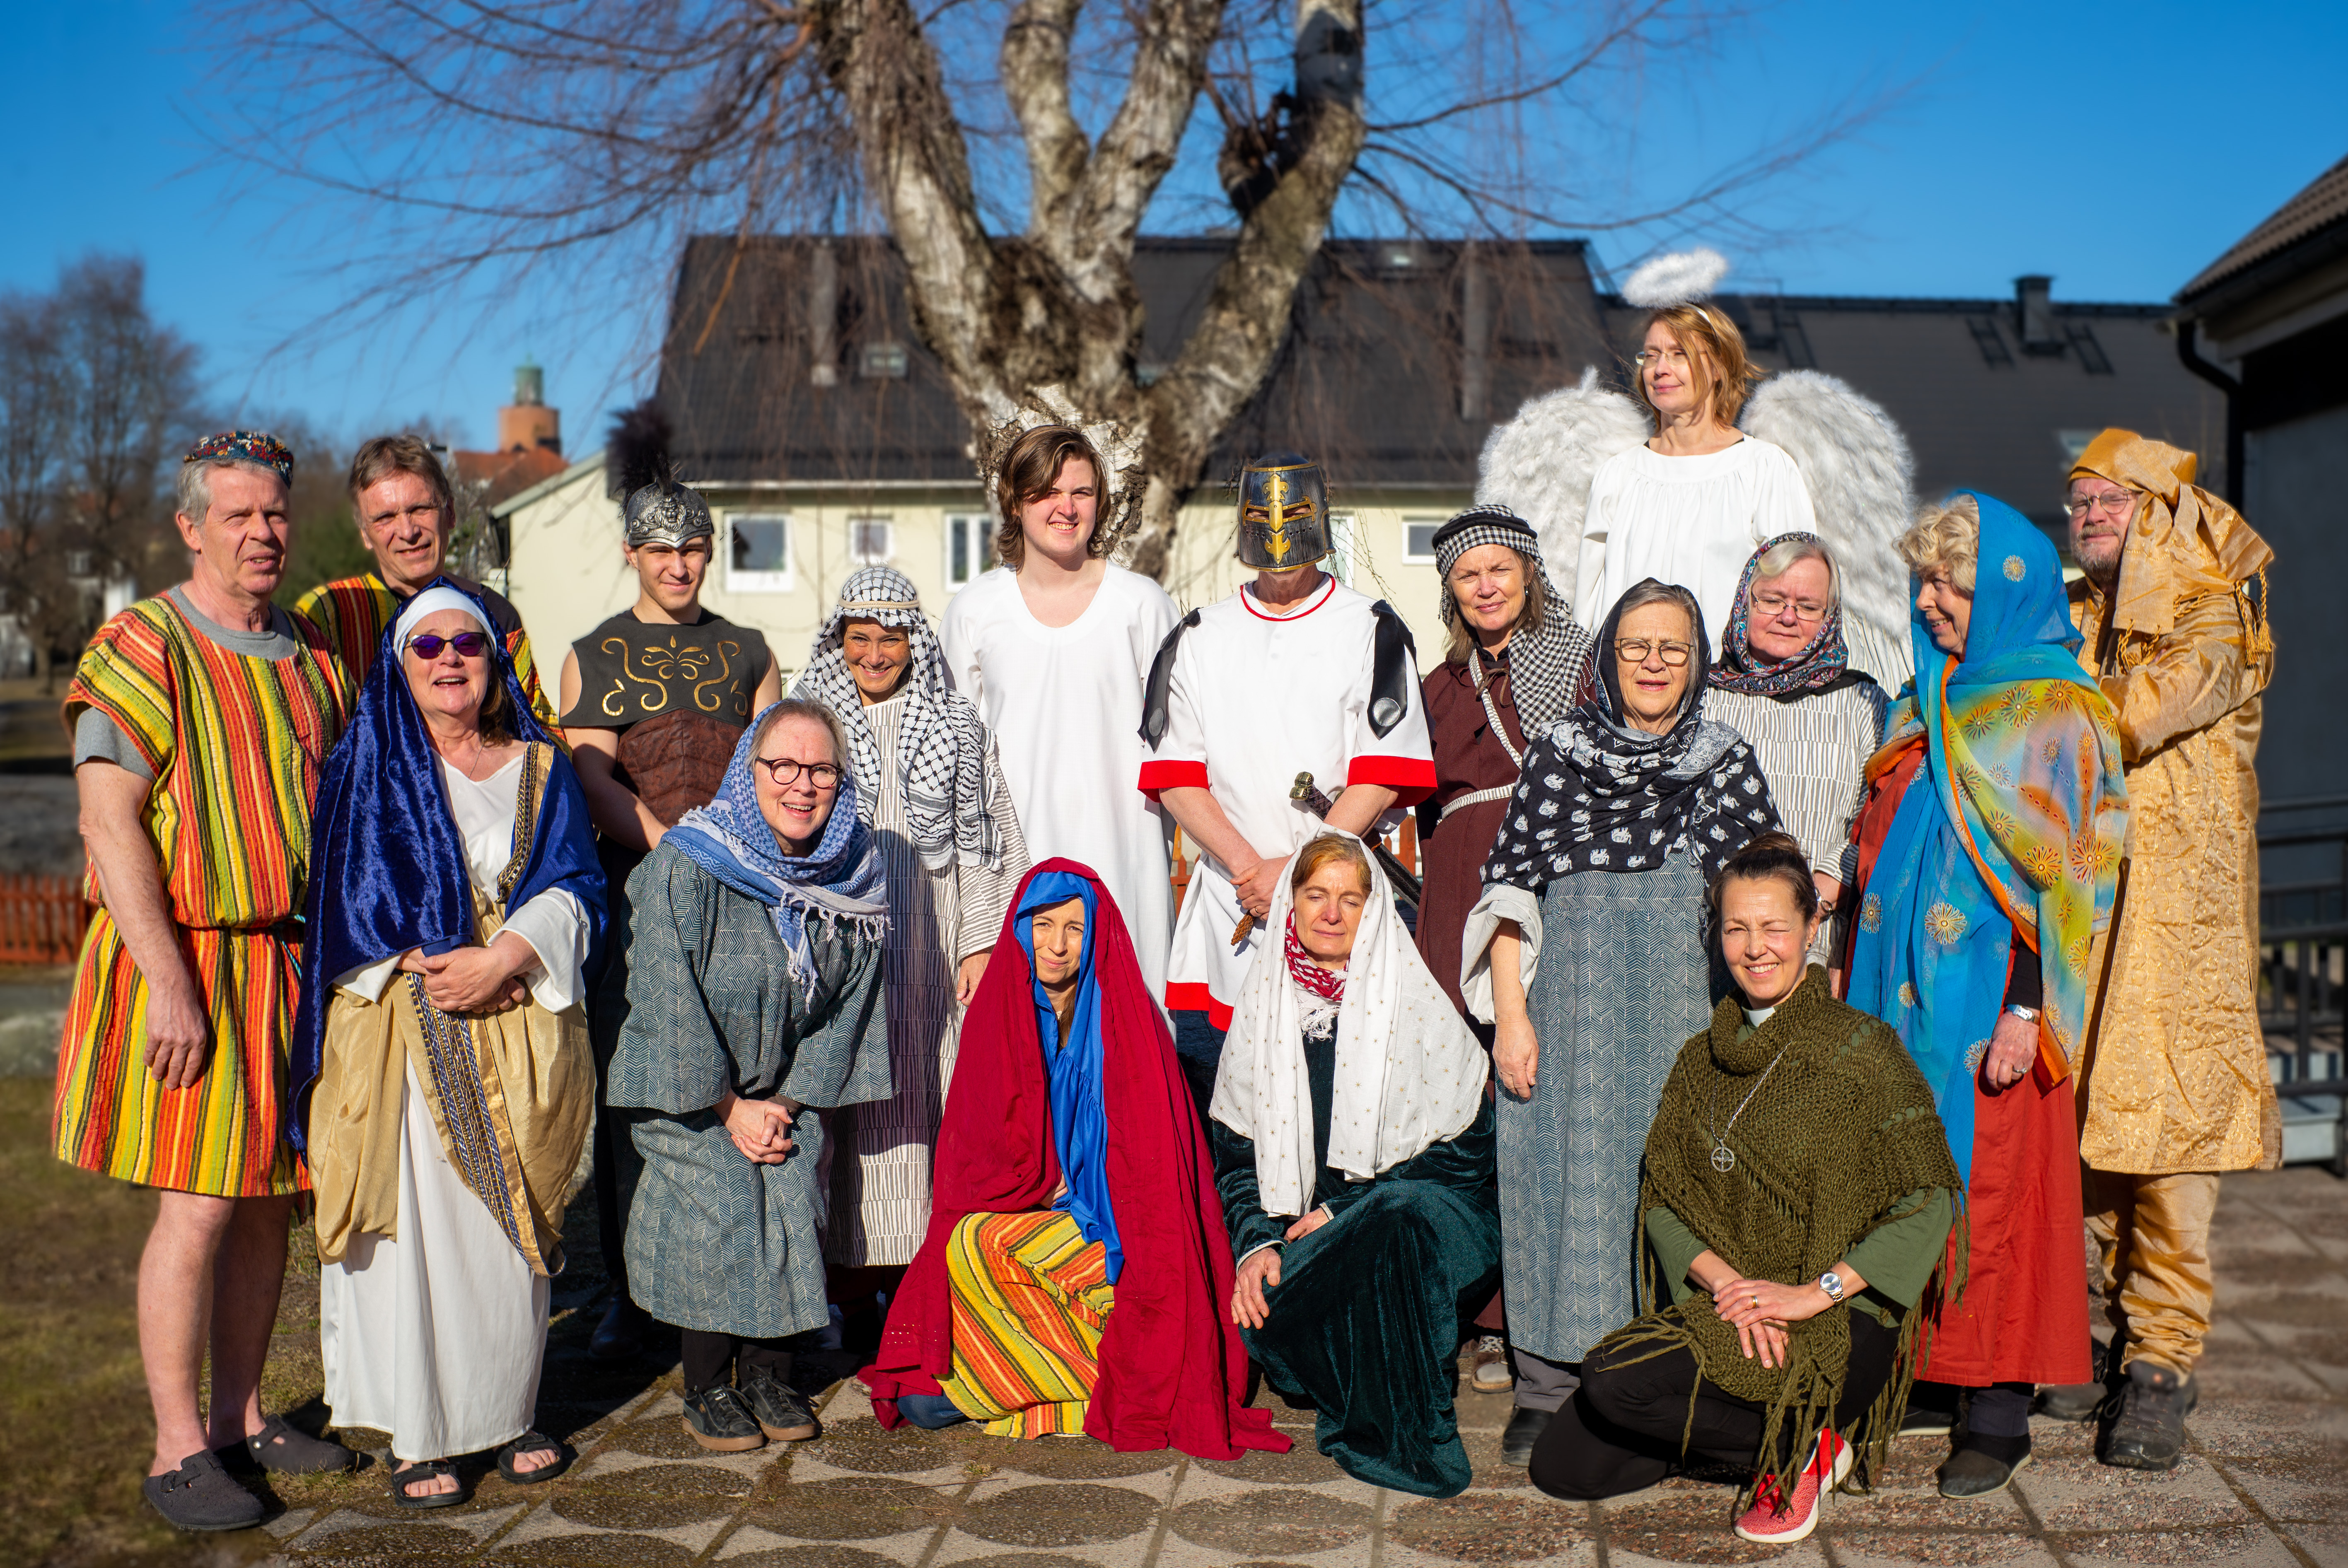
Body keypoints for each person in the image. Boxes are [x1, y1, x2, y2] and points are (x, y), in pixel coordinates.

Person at [56, 431, 358, 1531]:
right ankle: (177, 1448)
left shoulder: (311, 652)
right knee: (199, 1204)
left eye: (274, 513)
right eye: (237, 515)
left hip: (289, 963)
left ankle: (241, 1418)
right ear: (191, 528)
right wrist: (170, 984)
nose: (262, 533)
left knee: (271, 1202)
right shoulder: (144, 643)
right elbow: (107, 822)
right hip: (188, 956)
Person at [1527, 832, 1960, 1547]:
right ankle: (1787, 1440)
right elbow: (1662, 1199)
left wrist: (1809, 1293)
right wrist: (1730, 1285)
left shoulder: (1865, 1050)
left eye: (1773, 927)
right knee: (1564, 1467)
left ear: (1811, 928)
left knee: (1609, 1378)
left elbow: (1928, 1200)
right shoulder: (1698, 1061)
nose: (1755, 948)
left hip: (1835, 1318)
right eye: (1736, 928)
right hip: (1731, 1308)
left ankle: (1802, 1444)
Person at [292, 581, 606, 1506]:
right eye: (425, 647)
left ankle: (507, 1411)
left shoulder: (540, 767)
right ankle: (419, 1433)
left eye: (465, 643)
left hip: (513, 1012)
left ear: (493, 658)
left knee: (501, 1233)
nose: (448, 661)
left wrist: (506, 954)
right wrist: (424, 963)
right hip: (401, 1023)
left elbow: (579, 885)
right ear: (400, 666)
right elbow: (337, 904)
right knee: (413, 1235)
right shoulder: (367, 771)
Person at [1843, 492, 2128, 1498]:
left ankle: (1997, 1409)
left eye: (1950, 585)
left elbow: (2078, 876)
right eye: (1922, 581)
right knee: (1897, 1181)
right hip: (1893, 996)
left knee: (1995, 1194)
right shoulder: (1918, 694)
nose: (1928, 602)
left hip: (1988, 1006)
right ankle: (1927, 1373)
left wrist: (2025, 1006)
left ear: (2003, 589)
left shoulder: (2058, 712)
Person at [1461, 578, 1780, 1465]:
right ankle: (1547, 1388)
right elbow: (1509, 894)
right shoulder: (1557, 754)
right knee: (1562, 1190)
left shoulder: (1723, 760)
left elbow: (1764, 903)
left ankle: (1663, 1387)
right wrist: (1511, 1020)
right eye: (1635, 646)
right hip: (1568, 1021)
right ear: (1605, 658)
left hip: (1684, 1023)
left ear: (1696, 663)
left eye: (1672, 648)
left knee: (1679, 1197)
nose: (1652, 663)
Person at [859, 860, 1290, 1458]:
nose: (1057, 945)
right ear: (1019, 927)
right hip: (1030, 1223)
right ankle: (1097, 1381)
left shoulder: (1127, 1026)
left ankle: (1095, 1383)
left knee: (981, 1256)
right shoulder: (998, 1017)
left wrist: (1076, 1190)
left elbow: (1151, 1181)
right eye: (1043, 924)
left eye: (1075, 928)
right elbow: (974, 1163)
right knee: (923, 1392)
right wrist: (1034, 1182)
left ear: (1098, 936)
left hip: (1114, 1236)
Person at [2039, 431, 2279, 1469]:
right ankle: (2114, 1334)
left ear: (2160, 512)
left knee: (2169, 1137)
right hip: (2088, 913)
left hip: (2181, 929)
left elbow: (2131, 715)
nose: (2087, 514)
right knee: (2085, 1127)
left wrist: (2020, 705)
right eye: (2078, 501)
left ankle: (2161, 1365)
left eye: (2111, 499)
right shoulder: (2074, 617)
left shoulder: (2208, 613)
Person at [605, 700, 890, 1452]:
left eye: (821, 769)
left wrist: (785, 1101)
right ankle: (706, 1385)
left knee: (789, 1191)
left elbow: (851, 1005)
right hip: (688, 1089)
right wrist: (730, 1105)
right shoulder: (690, 864)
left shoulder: (854, 877)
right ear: (749, 771)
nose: (802, 784)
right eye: (783, 766)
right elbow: (666, 993)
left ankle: (767, 1376)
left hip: (784, 1092)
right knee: (727, 1200)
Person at [561, 466, 779, 1361]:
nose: (678, 565)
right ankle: (629, 1290)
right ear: (631, 554)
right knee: (637, 1086)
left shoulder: (749, 650)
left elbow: (772, 769)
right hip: (635, 896)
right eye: (661, 550)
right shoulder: (596, 652)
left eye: (692, 548)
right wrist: (671, 850)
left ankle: (742, 1271)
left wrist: (736, 863)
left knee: (742, 1076)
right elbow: (590, 774)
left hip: (740, 895)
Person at [1141, 451, 1435, 1114]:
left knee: (1341, 1106)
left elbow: (1382, 773)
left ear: (1320, 515)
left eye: (1295, 510)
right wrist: (1253, 870)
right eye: (1262, 511)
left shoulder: (1371, 628)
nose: (1278, 528)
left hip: (1337, 901)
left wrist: (1297, 872)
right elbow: (1176, 775)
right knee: (1232, 1114)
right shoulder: (1199, 635)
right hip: (1233, 902)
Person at [1212, 834, 1498, 1496]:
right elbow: (1236, 1157)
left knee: (1395, 1218)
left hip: (1435, 1221)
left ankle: (1406, 1436)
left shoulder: (1414, 1002)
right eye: (1316, 894)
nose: (1332, 913)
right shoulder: (1265, 1010)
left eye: (1351, 899)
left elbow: (1468, 1152)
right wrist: (1256, 1243)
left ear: (1374, 911)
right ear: (1292, 903)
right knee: (1276, 1303)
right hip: (1313, 1240)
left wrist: (1346, 1208)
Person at [792, 566, 1029, 1326]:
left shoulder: (956, 723)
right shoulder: (807, 723)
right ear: (838, 641)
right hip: (839, 946)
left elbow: (990, 841)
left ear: (914, 642)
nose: (873, 654)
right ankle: (846, 1296)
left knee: (927, 1097)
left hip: (933, 940)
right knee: (842, 1108)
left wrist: (981, 945)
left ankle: (919, 1289)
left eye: (889, 639)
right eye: (858, 638)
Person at [1414, 504, 1594, 1394]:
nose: (1484, 587)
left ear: (1527, 573)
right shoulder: (1436, 684)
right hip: (1456, 884)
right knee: (1459, 1095)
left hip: (1548, 876)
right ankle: (1468, 1310)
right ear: (1450, 590)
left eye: (1498, 569)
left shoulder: (1576, 662)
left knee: (1537, 1086)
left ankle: (1527, 1313)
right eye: (1466, 575)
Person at [942, 423, 1181, 1000]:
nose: (1066, 508)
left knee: (1123, 1030)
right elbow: (954, 763)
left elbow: (1179, 750)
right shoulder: (975, 609)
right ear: (1015, 503)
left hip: (1125, 863)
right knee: (1022, 1034)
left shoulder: (1143, 605)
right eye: (1047, 493)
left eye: (1081, 492)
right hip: (1010, 870)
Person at [1573, 304, 1818, 643]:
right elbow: (1587, 607)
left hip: (1723, 674)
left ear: (1718, 366)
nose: (1660, 369)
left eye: (1680, 354)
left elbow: (1797, 596)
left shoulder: (1764, 470)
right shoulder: (1618, 476)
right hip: (1625, 672)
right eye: (1652, 355)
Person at [1703, 534, 1890, 964]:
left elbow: (1879, 814)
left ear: (1829, 616)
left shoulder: (1863, 703)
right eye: (1772, 600)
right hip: (1711, 939)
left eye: (1807, 607)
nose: (1788, 617)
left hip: (1819, 938)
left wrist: (1817, 898)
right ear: (1745, 601)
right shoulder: (1702, 698)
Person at [293, 434, 552, 721]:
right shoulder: (328, 615)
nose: (408, 532)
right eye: (385, 518)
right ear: (364, 532)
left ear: (450, 512)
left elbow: (537, 728)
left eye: (420, 509)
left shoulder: (496, 615)